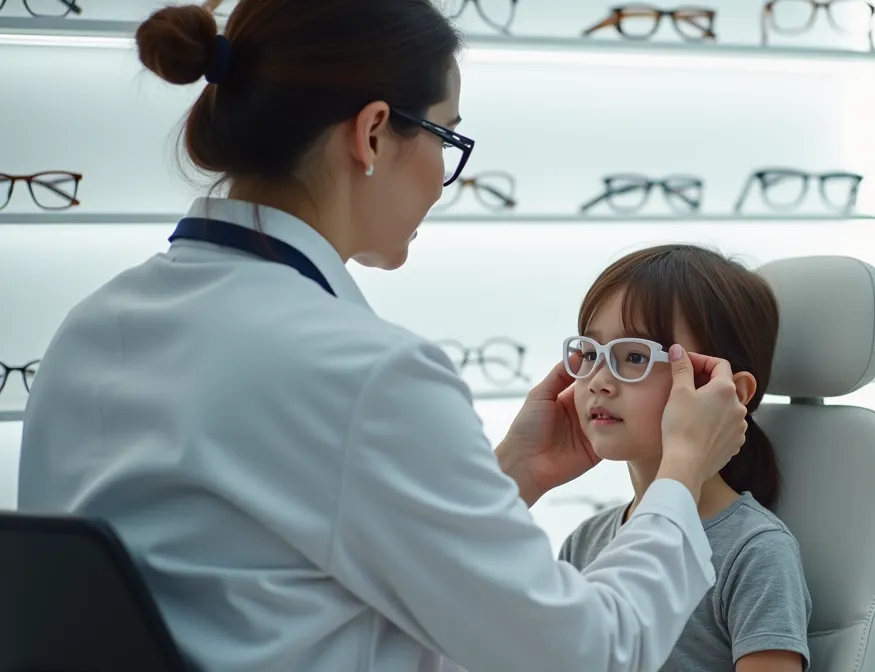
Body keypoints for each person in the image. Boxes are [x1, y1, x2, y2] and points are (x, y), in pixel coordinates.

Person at [15, 2, 750, 671]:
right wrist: (682, 473)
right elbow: (592, 653)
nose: (442, 177)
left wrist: (512, 474)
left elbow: (271, 572)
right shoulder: (369, 373)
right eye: (446, 135)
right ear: (371, 134)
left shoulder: (91, 329)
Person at [558, 245, 813, 672]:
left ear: (729, 392)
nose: (599, 381)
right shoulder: (584, 542)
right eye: (590, 354)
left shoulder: (754, 552)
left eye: (635, 357)